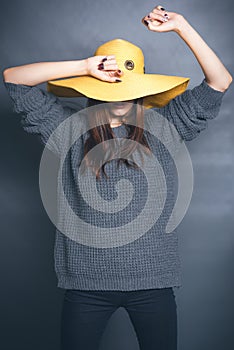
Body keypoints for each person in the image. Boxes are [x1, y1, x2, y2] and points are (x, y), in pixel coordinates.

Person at [3, 4, 232, 350]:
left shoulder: (164, 127)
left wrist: (182, 26)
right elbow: (13, 79)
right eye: (111, 83)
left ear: (141, 86)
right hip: (86, 287)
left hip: (153, 284)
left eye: (127, 84)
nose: (120, 93)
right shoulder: (68, 131)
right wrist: (83, 67)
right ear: (93, 86)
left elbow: (220, 82)